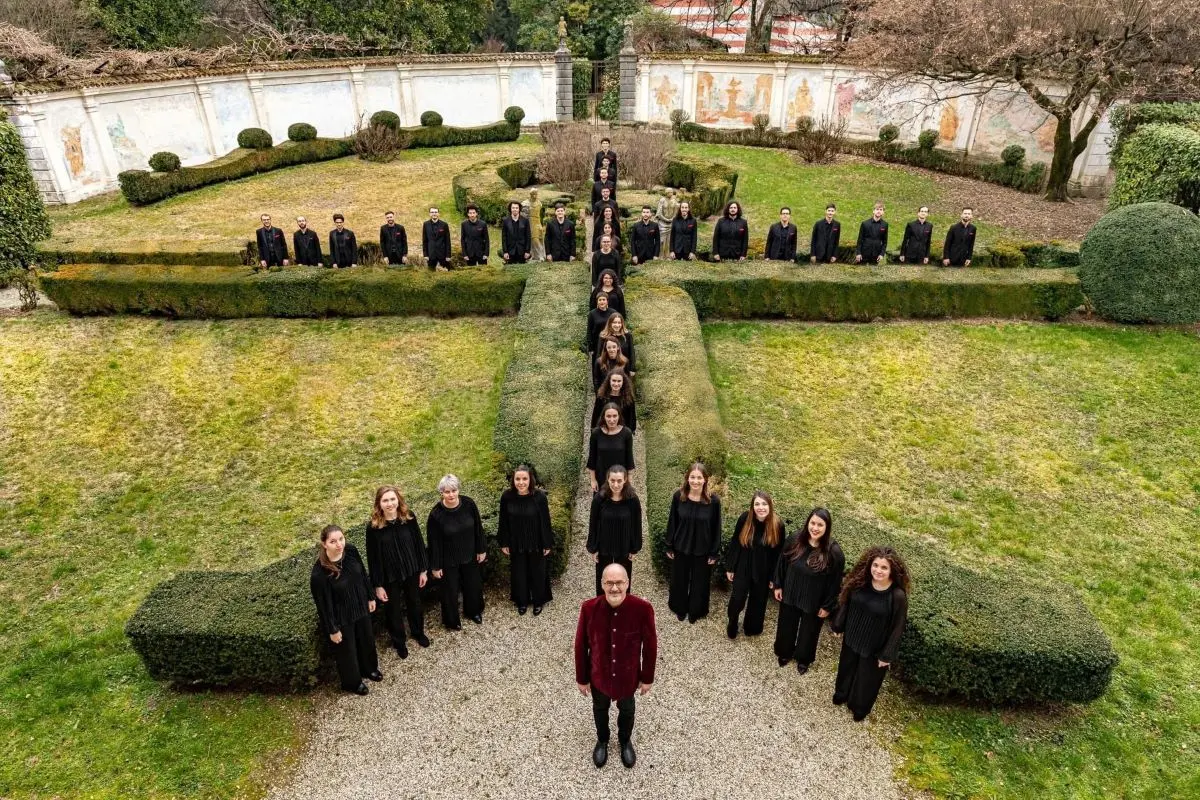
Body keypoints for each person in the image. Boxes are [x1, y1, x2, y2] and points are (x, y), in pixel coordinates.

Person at [574, 562, 656, 769]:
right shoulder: (588, 608)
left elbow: (650, 645)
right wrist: (582, 679)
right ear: (602, 584)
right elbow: (580, 645)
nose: (614, 588)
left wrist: (647, 678)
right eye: (609, 583)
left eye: (619, 582)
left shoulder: (643, 609)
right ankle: (602, 740)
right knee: (599, 709)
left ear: (627, 583)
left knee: (627, 710)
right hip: (598, 676)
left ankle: (625, 741)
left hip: (628, 678)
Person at [831, 546, 910, 721]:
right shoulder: (860, 581)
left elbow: (898, 627)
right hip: (852, 636)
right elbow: (846, 603)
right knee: (846, 667)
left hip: (875, 645)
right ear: (869, 565)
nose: (878, 571)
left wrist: (887, 655)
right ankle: (842, 693)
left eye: (884, 567)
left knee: (868, 678)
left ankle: (860, 707)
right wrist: (838, 625)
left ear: (892, 570)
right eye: (875, 565)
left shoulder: (897, 596)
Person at [772, 508, 845, 674]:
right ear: (807, 523)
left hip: (814, 599)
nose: (815, 528)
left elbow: (835, 583)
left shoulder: (834, 553)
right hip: (790, 592)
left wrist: (827, 606)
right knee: (786, 625)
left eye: (820, 524)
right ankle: (784, 652)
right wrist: (778, 585)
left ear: (827, 527)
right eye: (813, 523)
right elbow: (781, 563)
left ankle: (803, 659)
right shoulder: (794, 540)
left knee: (809, 631)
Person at [310, 524, 381, 695]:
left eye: (341, 539)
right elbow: (323, 606)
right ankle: (353, 682)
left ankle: (369, 669)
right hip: (341, 617)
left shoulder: (351, 551)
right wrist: (333, 629)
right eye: (333, 541)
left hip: (360, 606)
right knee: (347, 651)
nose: (339, 544)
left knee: (366, 639)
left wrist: (370, 596)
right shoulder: (320, 574)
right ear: (324, 544)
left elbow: (362, 574)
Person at [365, 485, 430, 658]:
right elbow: (373, 559)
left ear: (398, 499)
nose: (390, 503)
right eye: (385, 500)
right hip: (389, 576)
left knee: (415, 603)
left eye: (392, 499)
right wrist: (378, 585)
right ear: (379, 503)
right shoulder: (373, 528)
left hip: (411, 570)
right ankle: (399, 642)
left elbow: (418, 543)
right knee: (392, 610)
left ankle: (418, 632)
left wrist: (423, 570)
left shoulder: (408, 518)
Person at [427, 475, 487, 630]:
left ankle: (474, 612)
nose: (451, 495)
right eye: (447, 492)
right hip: (448, 559)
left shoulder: (469, 504)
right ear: (441, 493)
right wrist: (436, 566)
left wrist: (481, 549)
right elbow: (434, 542)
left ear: (458, 489)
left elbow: (478, 528)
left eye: (454, 490)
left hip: (469, 553)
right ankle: (452, 620)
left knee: (473, 584)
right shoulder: (436, 515)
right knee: (449, 591)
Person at [665, 462, 722, 623]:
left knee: (700, 582)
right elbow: (672, 522)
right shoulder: (679, 496)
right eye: (692, 477)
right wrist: (669, 545)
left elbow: (716, 527)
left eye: (699, 478)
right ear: (687, 478)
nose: (695, 481)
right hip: (681, 546)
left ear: (705, 480)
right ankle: (679, 608)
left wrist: (714, 552)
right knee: (679, 579)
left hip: (702, 549)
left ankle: (696, 610)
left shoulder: (713, 501)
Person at [725, 491, 785, 639]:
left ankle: (751, 627)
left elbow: (778, 555)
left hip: (763, 569)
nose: (761, 507)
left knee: (758, 601)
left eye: (764, 504)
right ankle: (732, 622)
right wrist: (730, 566)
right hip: (743, 566)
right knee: (737, 598)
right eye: (757, 504)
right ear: (752, 506)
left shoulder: (778, 525)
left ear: (770, 506)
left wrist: (774, 578)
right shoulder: (745, 519)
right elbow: (735, 543)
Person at [498, 464, 553, 615]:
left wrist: (547, 542)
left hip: (536, 541)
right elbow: (503, 521)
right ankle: (521, 601)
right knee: (518, 572)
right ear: (513, 480)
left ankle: (538, 601)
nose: (521, 482)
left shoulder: (539, 497)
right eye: (517, 479)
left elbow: (545, 521)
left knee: (538, 572)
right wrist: (504, 542)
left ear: (530, 480)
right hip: (516, 542)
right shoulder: (507, 497)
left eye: (524, 479)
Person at [586, 466, 642, 596]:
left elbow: (636, 525)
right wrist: (593, 548)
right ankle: (602, 603)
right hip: (604, 546)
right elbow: (593, 524)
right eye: (612, 480)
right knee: (603, 578)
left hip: (624, 546)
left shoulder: (632, 500)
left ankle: (623, 604)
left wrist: (634, 548)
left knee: (623, 578)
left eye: (619, 481)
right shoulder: (599, 499)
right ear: (607, 480)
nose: (615, 484)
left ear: (625, 480)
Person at [587, 402, 635, 494]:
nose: (612, 419)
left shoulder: (627, 433)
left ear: (619, 416)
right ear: (604, 417)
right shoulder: (596, 433)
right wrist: (593, 480)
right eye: (608, 416)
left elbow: (629, 460)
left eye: (614, 416)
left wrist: (628, 482)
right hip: (601, 477)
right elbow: (592, 458)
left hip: (620, 479)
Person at [590, 368, 636, 432]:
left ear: (623, 382)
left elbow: (632, 419)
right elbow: (596, 416)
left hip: (622, 434)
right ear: (609, 381)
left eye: (619, 381)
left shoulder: (628, 398)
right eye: (614, 380)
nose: (616, 384)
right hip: (604, 432)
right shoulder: (601, 397)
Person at [655, 190, 679, 257]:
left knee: (669, 240)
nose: (670, 194)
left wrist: (672, 219)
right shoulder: (662, 200)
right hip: (662, 223)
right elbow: (659, 213)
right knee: (662, 241)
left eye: (671, 192)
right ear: (666, 193)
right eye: (669, 192)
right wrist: (666, 219)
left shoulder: (674, 200)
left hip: (671, 223)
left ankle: (668, 255)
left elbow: (676, 211)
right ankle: (661, 255)